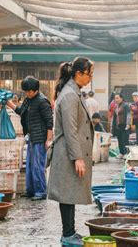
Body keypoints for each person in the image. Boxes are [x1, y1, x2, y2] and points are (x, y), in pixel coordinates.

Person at [47, 57, 94, 246]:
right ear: (78, 74)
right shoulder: (69, 95)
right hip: (67, 153)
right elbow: (70, 129)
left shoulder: (74, 92)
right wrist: (78, 158)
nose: (90, 78)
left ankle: (70, 232)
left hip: (70, 152)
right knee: (67, 194)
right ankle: (67, 235)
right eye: (89, 74)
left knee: (70, 193)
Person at [7, 76, 53, 201]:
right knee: (30, 165)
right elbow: (20, 111)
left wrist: (48, 140)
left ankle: (41, 192)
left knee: (38, 166)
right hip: (31, 137)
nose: (26, 93)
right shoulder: (28, 100)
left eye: (28, 91)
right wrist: (8, 102)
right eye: (25, 91)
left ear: (35, 90)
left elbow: (49, 121)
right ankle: (31, 190)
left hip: (40, 138)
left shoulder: (42, 101)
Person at [113, 94, 131, 159]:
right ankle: (121, 153)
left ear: (121, 98)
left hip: (124, 125)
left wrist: (128, 124)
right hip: (118, 126)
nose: (116, 100)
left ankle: (126, 153)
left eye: (117, 98)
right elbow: (114, 117)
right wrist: (114, 127)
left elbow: (128, 115)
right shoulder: (116, 107)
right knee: (119, 139)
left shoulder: (126, 106)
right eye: (115, 98)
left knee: (125, 140)